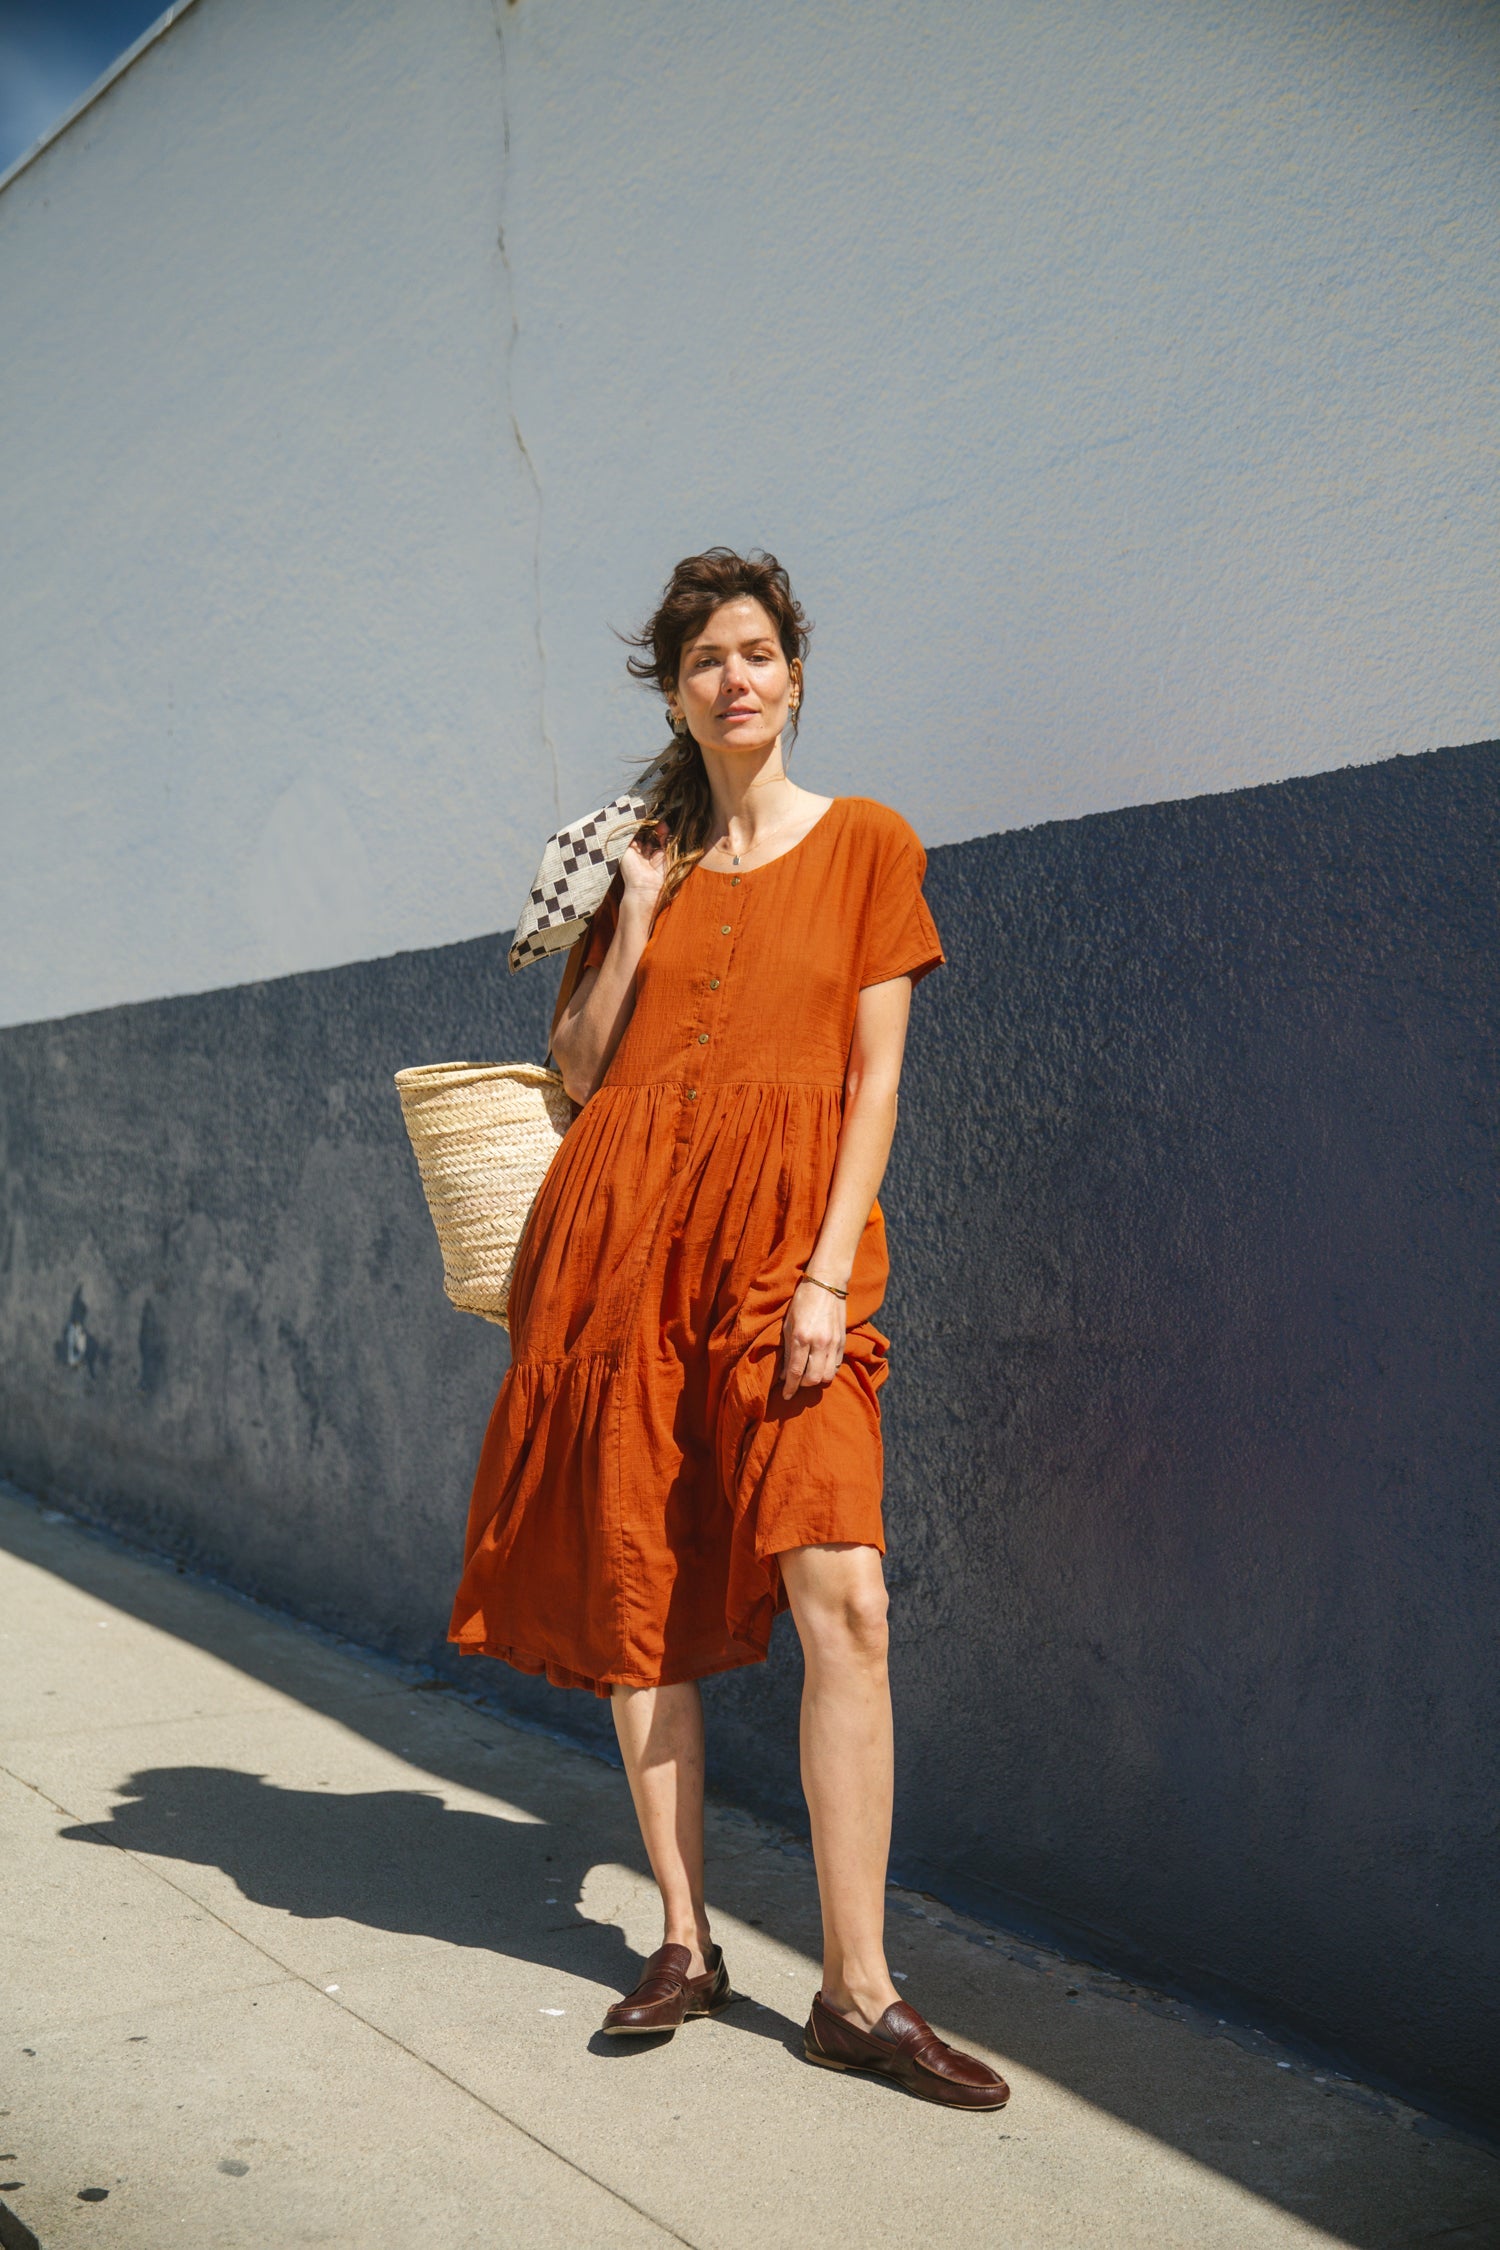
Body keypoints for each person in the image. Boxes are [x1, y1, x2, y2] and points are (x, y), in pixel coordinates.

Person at [450, 548, 1008, 2110]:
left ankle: (857, 1990)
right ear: (678, 694)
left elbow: (875, 1083)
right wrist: (633, 911)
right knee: (639, 1589)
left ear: (796, 675)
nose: (735, 678)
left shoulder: (871, 844)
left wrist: (827, 1275)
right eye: (706, 660)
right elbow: (576, 1069)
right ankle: (685, 1939)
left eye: (757, 651)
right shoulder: (644, 856)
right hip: (622, 1254)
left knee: (850, 1600)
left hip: (784, 1261)